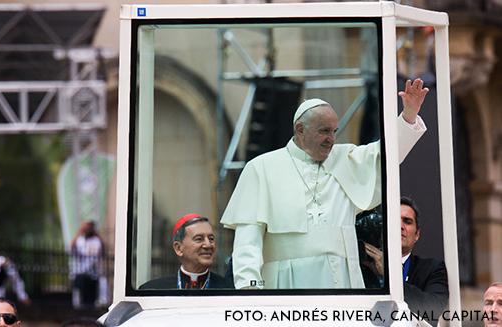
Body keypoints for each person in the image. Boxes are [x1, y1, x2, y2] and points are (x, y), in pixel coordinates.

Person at [221, 78, 429, 289]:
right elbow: (248, 241)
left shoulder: (346, 159)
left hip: (342, 283)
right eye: (323, 131)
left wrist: (409, 115)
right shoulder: (261, 168)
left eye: (334, 131)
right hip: (284, 286)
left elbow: (387, 154)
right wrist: (250, 291)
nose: (331, 138)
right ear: (300, 130)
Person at [364, 196, 448, 327]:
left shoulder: (433, 268)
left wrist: (390, 275)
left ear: (417, 235)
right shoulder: (366, 266)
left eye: (407, 221)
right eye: (394, 220)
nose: (400, 226)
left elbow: (433, 309)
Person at [139, 213, 232, 289]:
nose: (208, 245)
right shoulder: (153, 290)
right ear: (178, 248)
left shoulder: (228, 289)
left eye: (211, 239)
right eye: (199, 239)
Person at [70, 220, 106, 308]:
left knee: (92, 296)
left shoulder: (96, 240)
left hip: (93, 273)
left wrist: (96, 233)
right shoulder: (80, 239)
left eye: (88, 228)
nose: (86, 230)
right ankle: (78, 306)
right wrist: (79, 231)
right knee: (79, 294)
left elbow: (102, 250)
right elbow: (72, 247)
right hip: (79, 272)